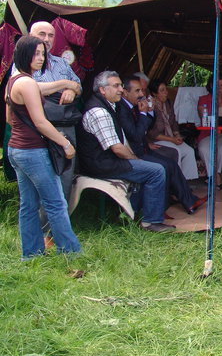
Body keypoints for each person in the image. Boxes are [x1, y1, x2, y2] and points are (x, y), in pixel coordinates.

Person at [5, 35, 81, 258]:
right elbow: (40, 122)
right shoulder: (28, 83)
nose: (40, 58)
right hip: (32, 151)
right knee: (55, 202)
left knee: (28, 205)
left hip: (16, 149)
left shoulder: (13, 81)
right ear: (23, 54)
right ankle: (70, 251)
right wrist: (65, 143)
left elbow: (9, 118)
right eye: (36, 53)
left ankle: (31, 253)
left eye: (42, 53)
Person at [76, 71, 174, 232]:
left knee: (151, 167)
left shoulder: (107, 105)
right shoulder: (99, 112)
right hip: (101, 164)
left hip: (105, 160)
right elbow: (117, 148)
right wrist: (136, 160)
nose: (121, 89)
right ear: (102, 89)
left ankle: (133, 213)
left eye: (121, 85)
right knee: (156, 171)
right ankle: (150, 222)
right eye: (116, 86)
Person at [118, 76, 204, 215]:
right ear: (125, 93)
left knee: (171, 164)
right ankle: (161, 207)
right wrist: (143, 113)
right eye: (137, 91)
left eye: (142, 90)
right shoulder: (122, 109)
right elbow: (137, 135)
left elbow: (148, 125)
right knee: (163, 166)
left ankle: (189, 202)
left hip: (143, 148)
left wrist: (149, 112)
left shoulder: (133, 106)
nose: (141, 94)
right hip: (134, 153)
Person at [146, 79, 199, 180]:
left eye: (165, 89)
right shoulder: (150, 107)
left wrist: (177, 135)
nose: (166, 92)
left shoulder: (168, 103)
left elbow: (174, 122)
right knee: (176, 151)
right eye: (162, 90)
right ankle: (176, 182)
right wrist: (172, 140)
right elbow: (152, 133)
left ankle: (186, 181)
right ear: (154, 93)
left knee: (189, 151)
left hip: (170, 137)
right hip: (157, 140)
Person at [197, 74, 222, 186]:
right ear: (210, 86)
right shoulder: (203, 99)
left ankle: (216, 174)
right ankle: (214, 176)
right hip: (208, 134)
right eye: (216, 85)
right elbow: (203, 117)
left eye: (221, 86)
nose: (219, 88)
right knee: (203, 148)